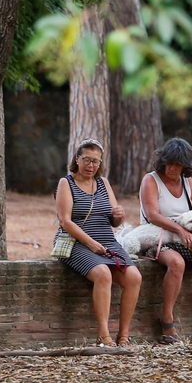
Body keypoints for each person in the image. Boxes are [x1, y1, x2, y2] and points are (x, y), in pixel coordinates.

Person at [139, 137, 192, 343]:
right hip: (157, 236)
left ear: (185, 166)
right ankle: (167, 319)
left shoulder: (188, 183)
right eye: (170, 163)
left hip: (186, 237)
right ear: (163, 161)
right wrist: (180, 230)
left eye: (178, 165)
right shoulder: (150, 180)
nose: (172, 169)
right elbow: (152, 215)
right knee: (176, 263)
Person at [56, 139, 142, 346]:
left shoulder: (103, 183)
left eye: (95, 161)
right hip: (77, 242)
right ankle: (104, 335)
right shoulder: (66, 183)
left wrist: (119, 215)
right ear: (77, 159)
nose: (91, 166)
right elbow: (65, 221)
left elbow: (114, 220)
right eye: (86, 160)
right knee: (103, 273)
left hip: (107, 241)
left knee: (134, 277)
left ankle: (124, 335)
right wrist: (91, 243)